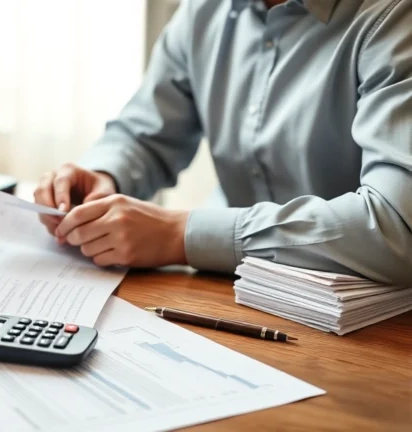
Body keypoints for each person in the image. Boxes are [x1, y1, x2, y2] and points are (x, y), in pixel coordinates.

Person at [33, 0, 412, 285]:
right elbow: (145, 132)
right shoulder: (204, 9)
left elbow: (396, 226)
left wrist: (179, 235)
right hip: (231, 291)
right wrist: (104, 174)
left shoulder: (394, 18)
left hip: (370, 322)